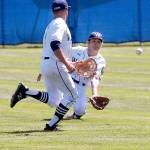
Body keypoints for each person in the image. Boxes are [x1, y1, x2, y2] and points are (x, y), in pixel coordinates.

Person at [10, 0, 78, 131]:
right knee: (72, 95)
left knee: (54, 100)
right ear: (66, 10)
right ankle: (50, 125)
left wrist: (68, 63)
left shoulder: (51, 24)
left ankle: (26, 91)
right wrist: (67, 64)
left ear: (53, 11)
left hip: (47, 64)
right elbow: (54, 45)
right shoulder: (60, 23)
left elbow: (52, 47)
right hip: (56, 64)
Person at [65, 32, 106, 119]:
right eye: (94, 41)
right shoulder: (77, 50)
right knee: (55, 101)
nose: (96, 44)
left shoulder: (101, 61)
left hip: (81, 85)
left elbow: (96, 79)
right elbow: (61, 55)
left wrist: (95, 94)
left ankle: (74, 115)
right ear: (88, 42)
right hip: (67, 80)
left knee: (79, 111)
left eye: (99, 42)